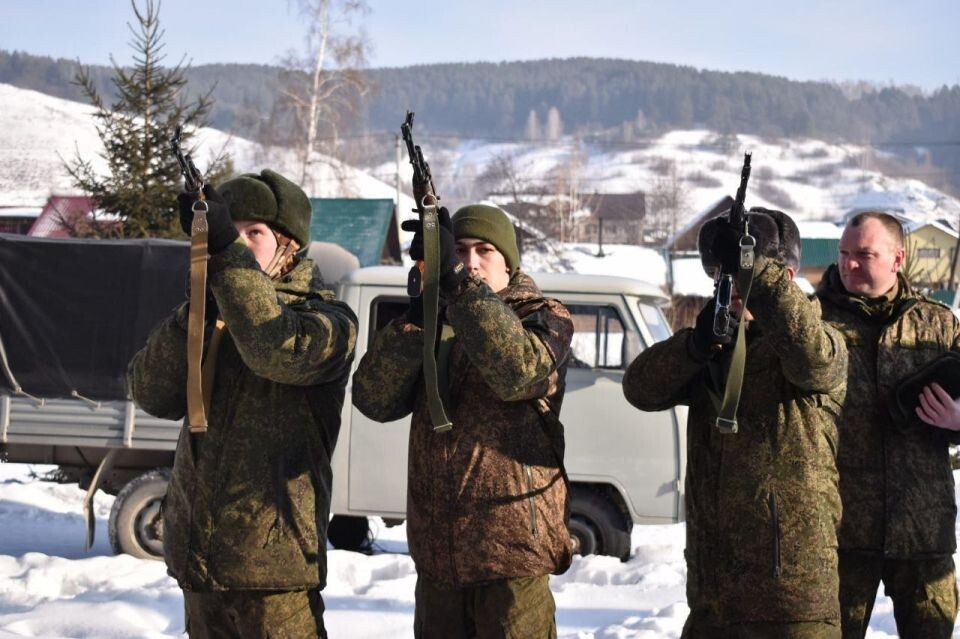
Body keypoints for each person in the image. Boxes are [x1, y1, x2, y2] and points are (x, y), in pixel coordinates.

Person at [128, 169, 358, 638]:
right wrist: (195, 311)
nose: (237, 243)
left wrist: (228, 264)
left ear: (289, 246)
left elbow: (276, 350)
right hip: (201, 564)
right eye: (228, 232)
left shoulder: (326, 319)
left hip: (276, 574)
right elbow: (150, 393)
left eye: (254, 233)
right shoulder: (208, 315)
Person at [623, 208, 848, 638]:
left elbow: (813, 362)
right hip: (716, 599)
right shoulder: (714, 346)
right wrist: (696, 344)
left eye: (744, 276)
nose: (735, 289)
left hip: (792, 603)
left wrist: (755, 272)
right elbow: (640, 389)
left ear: (787, 274)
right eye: (724, 277)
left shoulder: (822, 339)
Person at [352, 204, 574, 638]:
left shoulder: (544, 315)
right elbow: (373, 400)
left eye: (484, 250)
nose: (471, 261)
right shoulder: (433, 322)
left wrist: (458, 284)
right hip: (439, 560)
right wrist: (418, 315)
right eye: (459, 250)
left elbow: (519, 372)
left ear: (508, 263)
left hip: (513, 560)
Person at [815, 211, 960, 639]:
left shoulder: (938, 324)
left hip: (922, 532)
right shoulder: (813, 324)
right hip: (840, 532)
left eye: (864, 254)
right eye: (844, 254)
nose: (849, 264)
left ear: (897, 259)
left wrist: (958, 421)